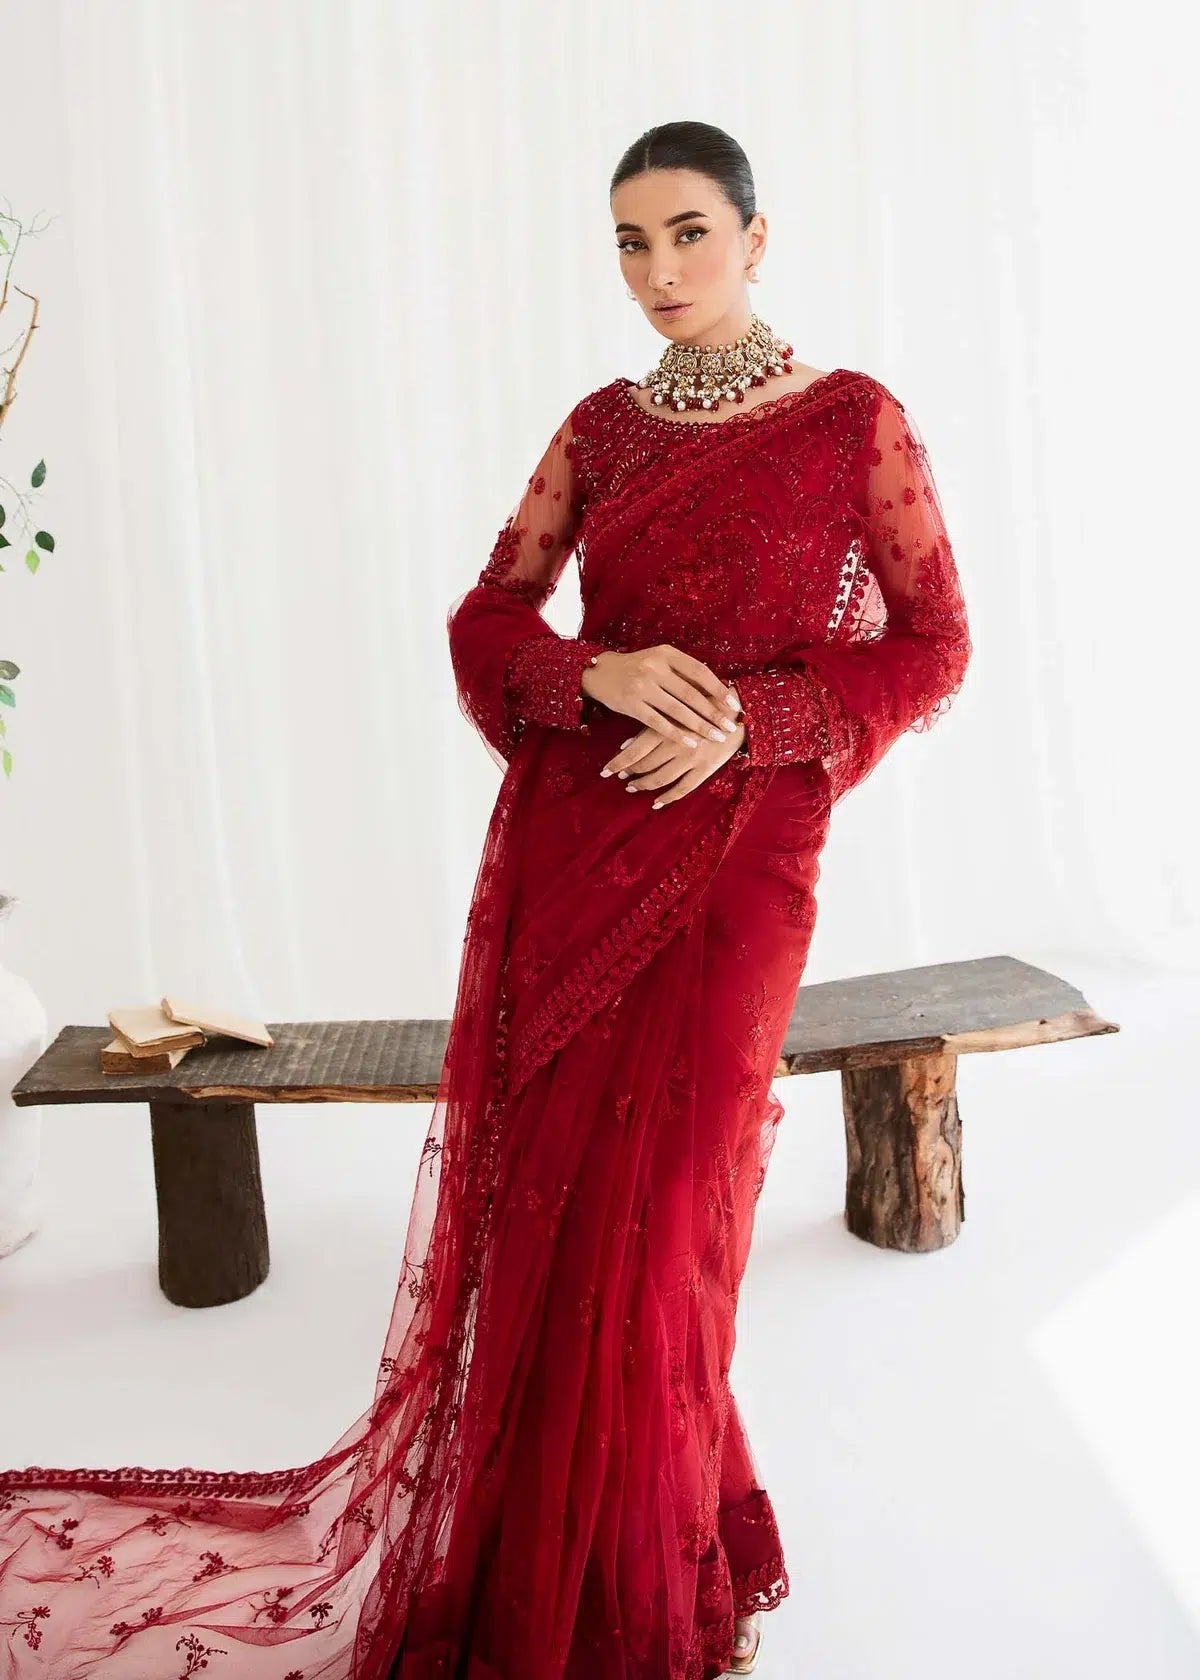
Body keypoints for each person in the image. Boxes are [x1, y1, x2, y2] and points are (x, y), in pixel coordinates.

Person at [0, 121, 971, 1680]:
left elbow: (934, 643)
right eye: (631, 243)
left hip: (741, 868)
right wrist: (597, 674)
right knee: (556, 1225)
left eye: (689, 233)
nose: (659, 271)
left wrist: (758, 716)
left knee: (675, 1226)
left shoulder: (854, 422)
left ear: (756, 235)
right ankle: (585, 1577)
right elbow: (487, 616)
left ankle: (658, 1578)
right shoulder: (602, 430)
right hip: (575, 855)